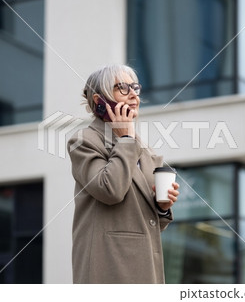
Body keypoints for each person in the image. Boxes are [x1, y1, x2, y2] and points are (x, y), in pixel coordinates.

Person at [67, 64, 180, 284]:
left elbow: (147, 220)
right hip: (109, 264)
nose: (133, 96)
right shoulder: (84, 141)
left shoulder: (145, 150)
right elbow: (111, 190)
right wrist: (126, 139)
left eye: (135, 88)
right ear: (100, 101)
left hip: (144, 266)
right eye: (123, 88)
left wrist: (162, 208)